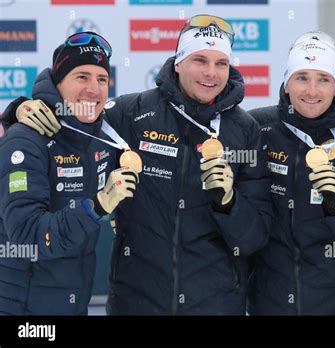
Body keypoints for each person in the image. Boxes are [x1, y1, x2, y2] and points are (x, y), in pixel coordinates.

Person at [6, 15, 272, 315]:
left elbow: (255, 237)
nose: (211, 73)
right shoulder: (130, 114)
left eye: (221, 63)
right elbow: (73, 119)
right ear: (178, 62)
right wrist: (18, 110)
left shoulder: (245, 131)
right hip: (137, 302)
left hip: (216, 305)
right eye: (200, 60)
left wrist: (229, 203)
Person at [247, 31, 335, 315]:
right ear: (287, 83)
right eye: (302, 78)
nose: (311, 91)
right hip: (269, 307)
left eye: (323, 79)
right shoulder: (256, 129)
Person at [0, 32, 139, 315]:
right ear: (58, 82)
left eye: (102, 79)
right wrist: (97, 207)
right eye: (81, 77)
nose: (93, 88)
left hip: (72, 304)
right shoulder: (25, 140)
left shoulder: (103, 135)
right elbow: (27, 236)